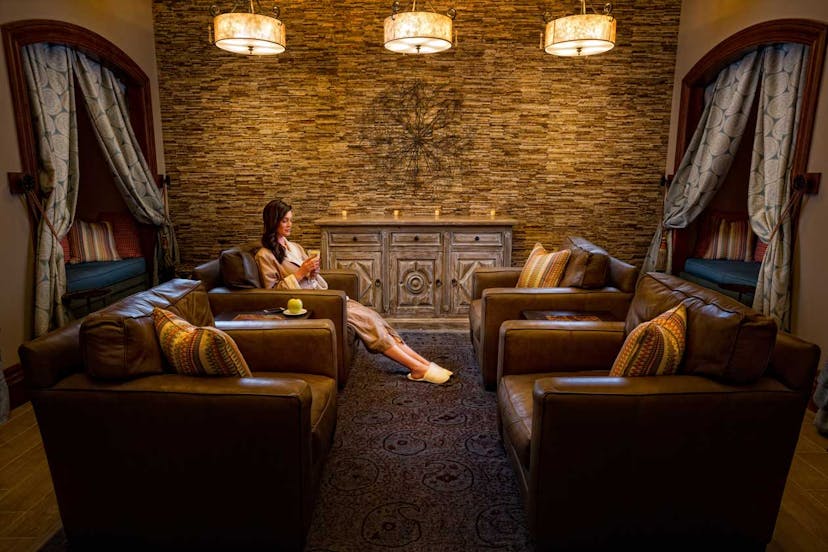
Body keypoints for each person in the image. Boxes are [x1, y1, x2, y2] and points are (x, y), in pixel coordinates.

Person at [254, 199, 453, 384]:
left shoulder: (294, 247)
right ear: (273, 222)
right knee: (368, 323)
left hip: (322, 295)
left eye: (290, 220)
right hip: (309, 304)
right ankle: (416, 367)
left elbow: (311, 278)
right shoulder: (265, 255)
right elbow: (271, 293)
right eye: (284, 221)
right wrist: (300, 273)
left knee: (374, 318)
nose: (289, 225)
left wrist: (312, 273)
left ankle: (422, 363)